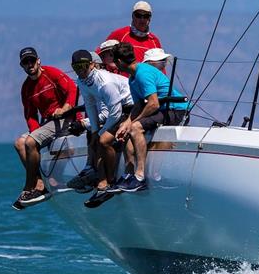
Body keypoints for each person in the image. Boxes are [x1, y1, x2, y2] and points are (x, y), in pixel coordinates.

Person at [112, 42, 187, 192]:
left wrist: (134, 122)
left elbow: (153, 104)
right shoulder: (132, 78)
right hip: (162, 109)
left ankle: (140, 177)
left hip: (175, 109)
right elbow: (139, 104)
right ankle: (129, 174)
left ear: (119, 62)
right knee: (129, 128)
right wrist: (126, 123)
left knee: (135, 128)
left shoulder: (142, 73)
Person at [13, 47, 78, 208]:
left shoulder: (52, 73)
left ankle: (29, 187)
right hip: (47, 124)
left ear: (38, 61)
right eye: (25, 62)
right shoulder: (26, 87)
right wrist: (35, 132)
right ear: (22, 66)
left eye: (32, 61)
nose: (29, 65)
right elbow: (30, 115)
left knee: (30, 142)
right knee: (20, 143)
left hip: (66, 118)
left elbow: (72, 89)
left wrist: (64, 109)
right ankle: (40, 183)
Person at [70, 50, 135, 206]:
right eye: (76, 67)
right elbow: (91, 106)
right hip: (116, 111)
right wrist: (93, 131)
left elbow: (116, 112)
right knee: (96, 138)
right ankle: (102, 183)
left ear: (92, 65)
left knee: (104, 140)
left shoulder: (105, 82)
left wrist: (100, 132)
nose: (80, 70)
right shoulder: (82, 81)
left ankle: (110, 182)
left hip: (129, 108)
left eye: (84, 66)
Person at [105, 0, 162, 65]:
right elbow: (102, 54)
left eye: (146, 16)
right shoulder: (120, 34)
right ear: (133, 16)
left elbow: (161, 67)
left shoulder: (154, 41)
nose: (142, 19)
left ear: (150, 18)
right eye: (138, 15)